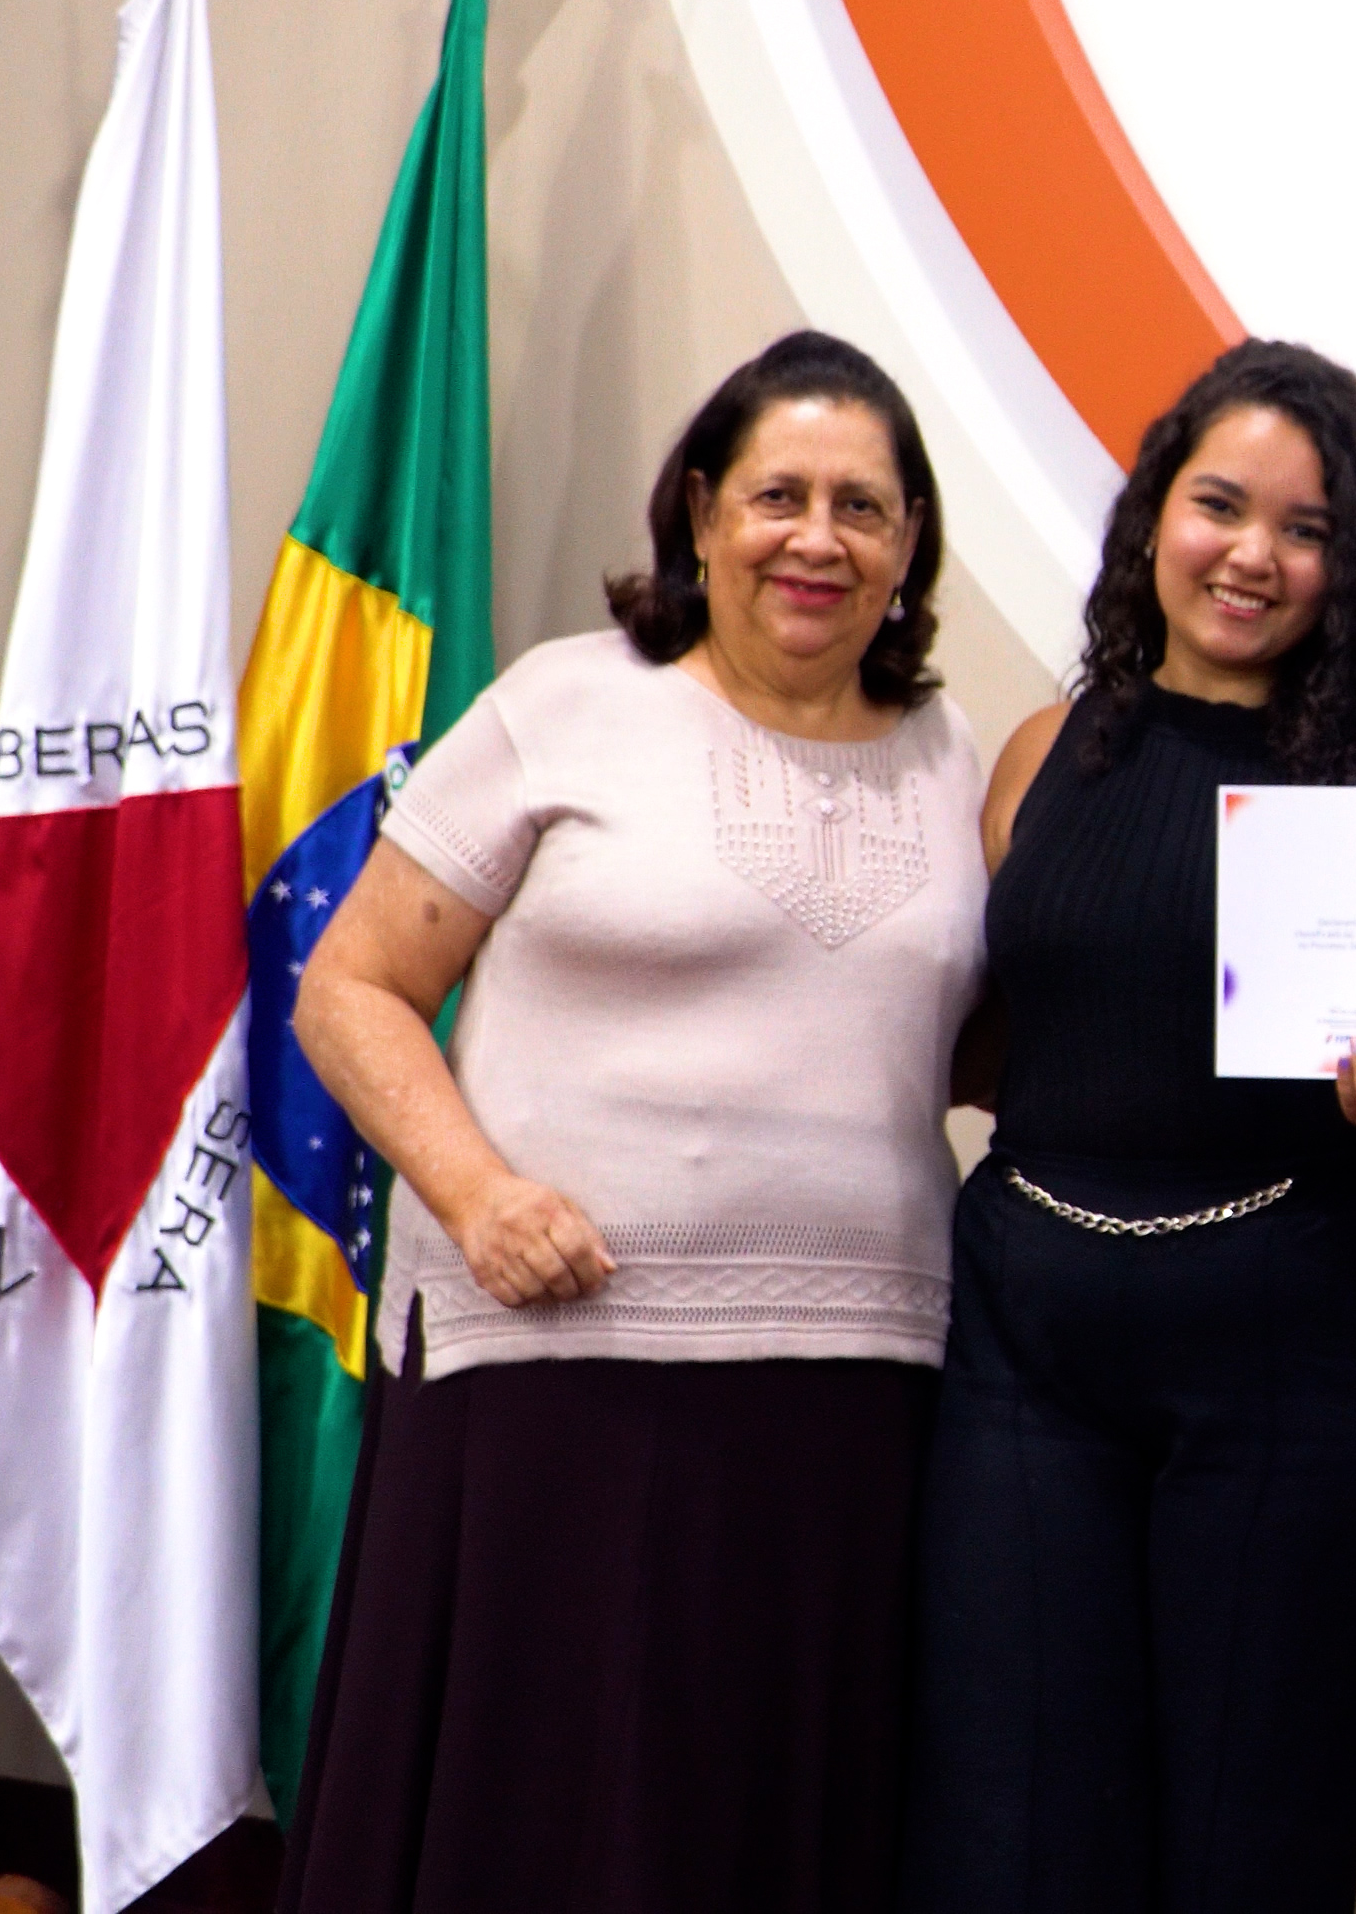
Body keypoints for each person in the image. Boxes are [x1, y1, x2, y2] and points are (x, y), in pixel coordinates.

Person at [275, 329, 982, 1912]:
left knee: (767, 1840)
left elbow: (988, 1043)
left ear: (911, 545)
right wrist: (478, 1196)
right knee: (538, 1832)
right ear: (703, 512)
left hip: (852, 1411)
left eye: (862, 507)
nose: (817, 538)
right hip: (554, 1367)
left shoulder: (954, 761)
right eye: (779, 496)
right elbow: (351, 989)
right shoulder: (563, 705)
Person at [898, 339, 1356, 1913]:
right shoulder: (1043, 750)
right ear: (1156, 513)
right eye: (1220, 505)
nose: (1253, 555)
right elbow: (1002, 1032)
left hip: (1310, 1377)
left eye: (1307, 530)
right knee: (1007, 1849)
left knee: (1249, 1862)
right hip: (1023, 1360)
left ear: (1353, 568)